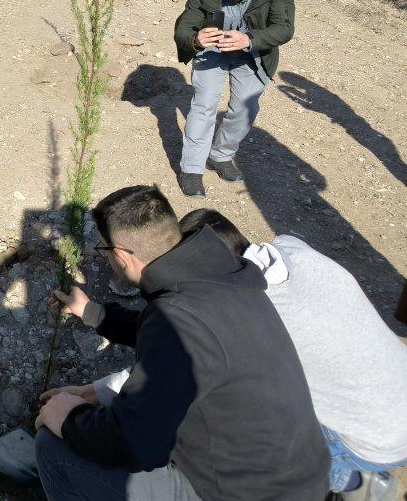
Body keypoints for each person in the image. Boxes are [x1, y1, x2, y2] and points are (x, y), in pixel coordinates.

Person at [35, 185, 329, 501]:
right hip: (301, 480)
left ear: (120, 256)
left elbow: (136, 443)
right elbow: (178, 338)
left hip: (243, 494)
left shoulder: (177, 318)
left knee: (54, 447)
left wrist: (70, 419)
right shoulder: (225, 280)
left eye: (103, 250)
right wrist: (93, 313)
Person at [175, 209, 407, 497]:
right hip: (398, 400)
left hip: (380, 443)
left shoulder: (252, 310)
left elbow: (189, 370)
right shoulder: (290, 247)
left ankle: (353, 481)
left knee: (234, 420)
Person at [173, 0, 295, 197]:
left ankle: (220, 155)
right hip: (211, 52)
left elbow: (283, 28)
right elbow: (184, 26)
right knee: (203, 106)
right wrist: (196, 39)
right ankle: (192, 169)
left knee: (244, 108)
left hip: (252, 52)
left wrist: (248, 40)